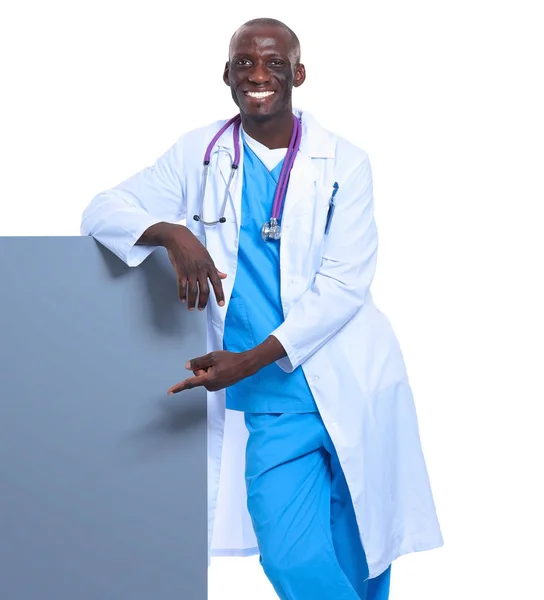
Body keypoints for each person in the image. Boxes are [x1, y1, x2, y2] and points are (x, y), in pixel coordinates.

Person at [81, 17, 443, 600]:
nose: (258, 75)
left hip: (351, 382)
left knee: (363, 563)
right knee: (291, 560)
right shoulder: (197, 153)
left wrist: (247, 361)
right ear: (226, 74)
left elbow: (344, 283)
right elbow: (101, 210)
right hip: (275, 407)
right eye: (244, 62)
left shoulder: (343, 162)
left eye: (274, 63)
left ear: (297, 74)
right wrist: (172, 231)